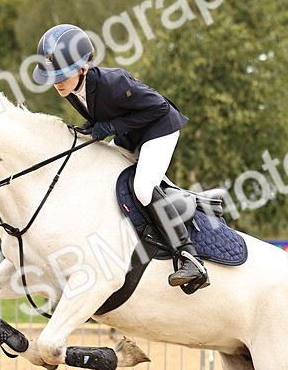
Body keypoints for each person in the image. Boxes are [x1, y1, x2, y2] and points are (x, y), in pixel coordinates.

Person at [33, 23, 209, 293]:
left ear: (83, 69)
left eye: (62, 76)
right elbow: (102, 115)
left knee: (143, 189)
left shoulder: (114, 82)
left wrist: (111, 127)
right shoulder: (71, 89)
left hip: (159, 129)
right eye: (53, 77)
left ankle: (189, 257)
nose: (56, 83)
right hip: (131, 136)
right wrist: (91, 129)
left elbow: (159, 108)